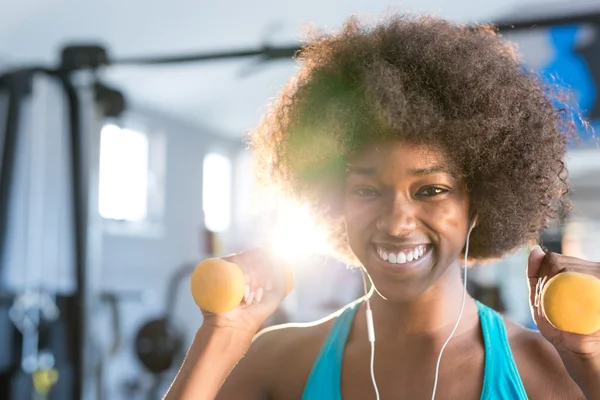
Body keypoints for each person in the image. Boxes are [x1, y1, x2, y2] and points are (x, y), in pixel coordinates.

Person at [164, 15, 600, 399]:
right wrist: (224, 333)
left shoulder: (551, 373)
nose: (395, 221)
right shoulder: (280, 361)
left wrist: (593, 361)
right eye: (367, 190)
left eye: (430, 190)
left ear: (479, 202)